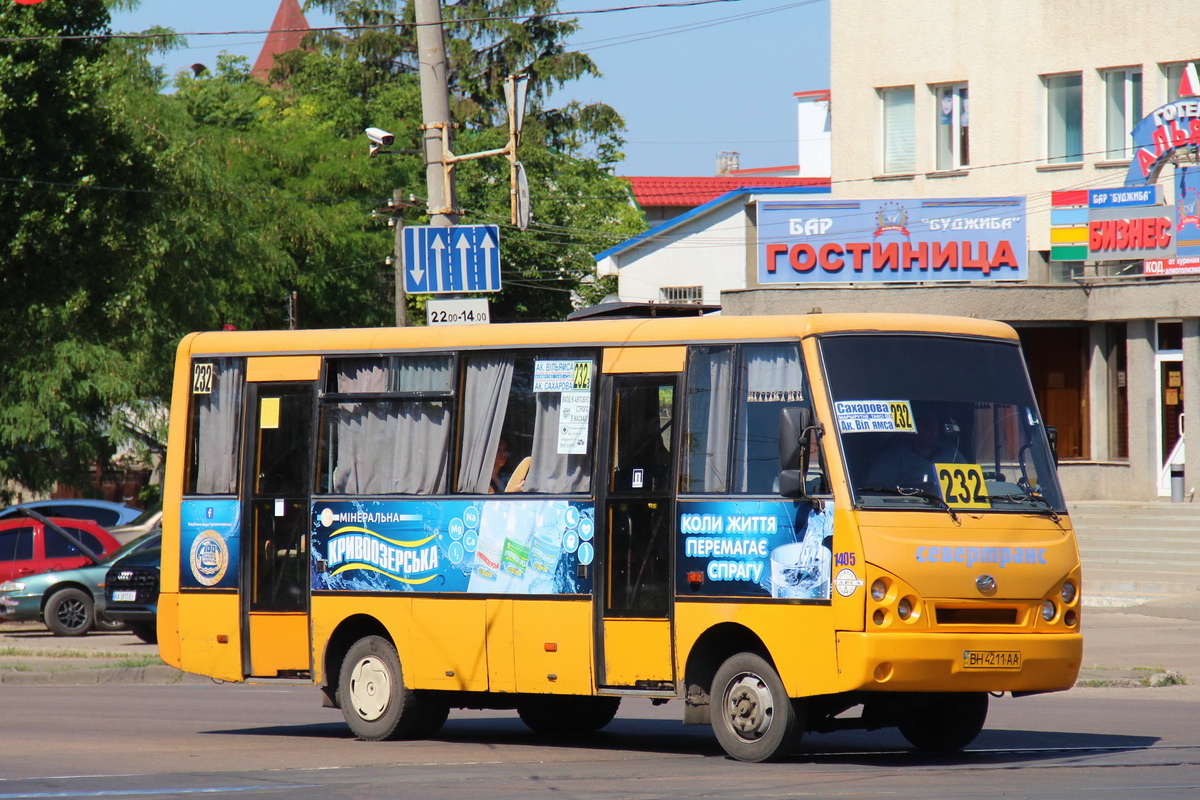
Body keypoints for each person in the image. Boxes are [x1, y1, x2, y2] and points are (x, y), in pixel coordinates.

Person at [866, 407, 962, 493]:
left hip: (948, 509)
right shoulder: (893, 456)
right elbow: (876, 490)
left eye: (935, 426)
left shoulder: (950, 453)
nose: (933, 432)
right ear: (914, 429)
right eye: (927, 427)